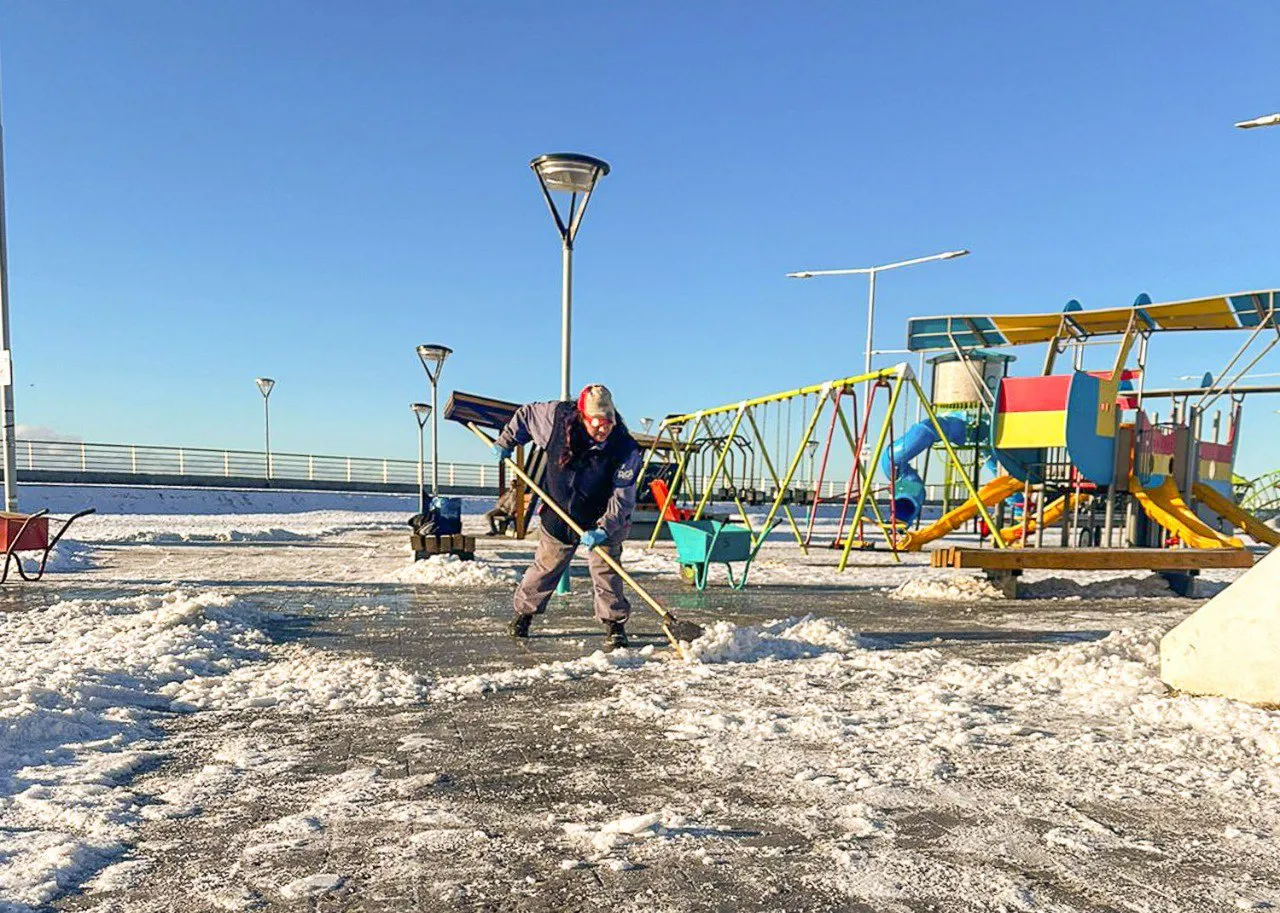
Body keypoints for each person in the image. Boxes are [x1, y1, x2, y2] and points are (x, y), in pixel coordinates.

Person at [491, 384, 641, 649]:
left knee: (607, 571)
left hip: (603, 517)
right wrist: (507, 441)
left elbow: (623, 498)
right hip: (559, 510)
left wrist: (604, 529)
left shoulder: (625, 448)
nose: (603, 429)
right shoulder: (556, 419)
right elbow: (525, 415)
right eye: (596, 423)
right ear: (582, 416)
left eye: (608, 422)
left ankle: (614, 624)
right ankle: (524, 615)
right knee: (546, 567)